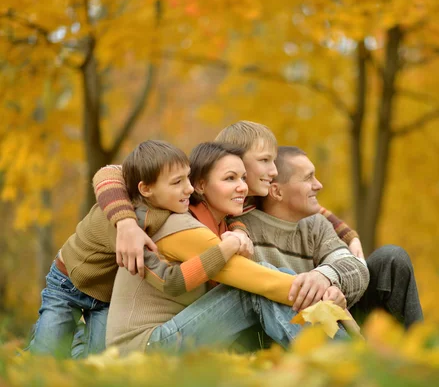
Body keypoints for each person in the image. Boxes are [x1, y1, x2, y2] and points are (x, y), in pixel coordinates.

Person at [106, 142, 347, 355]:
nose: (242, 187)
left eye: (243, 178)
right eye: (230, 178)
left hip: (167, 336)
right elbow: (259, 280)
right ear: (202, 185)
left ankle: (335, 357)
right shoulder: (178, 224)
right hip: (145, 349)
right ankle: (339, 361)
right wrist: (323, 295)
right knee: (248, 290)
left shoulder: (223, 225)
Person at [93, 121, 360, 310]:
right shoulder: (185, 191)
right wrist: (126, 223)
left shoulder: (255, 195)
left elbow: (311, 204)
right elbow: (112, 173)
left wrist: (348, 234)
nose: (274, 170)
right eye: (265, 160)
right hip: (98, 282)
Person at [27, 141, 193, 358]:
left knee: (99, 360)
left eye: (188, 177)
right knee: (44, 356)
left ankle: (76, 337)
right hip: (68, 285)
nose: (189, 188)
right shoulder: (127, 215)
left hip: (107, 297)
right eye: (178, 182)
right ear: (145, 188)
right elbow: (108, 172)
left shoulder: (171, 199)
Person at [244, 146, 424, 327]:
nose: (319, 185)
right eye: (308, 178)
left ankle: (415, 350)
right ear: (277, 192)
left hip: (332, 319)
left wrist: (325, 277)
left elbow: (354, 266)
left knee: (392, 258)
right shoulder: (242, 229)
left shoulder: (316, 224)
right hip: (278, 328)